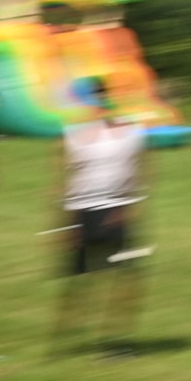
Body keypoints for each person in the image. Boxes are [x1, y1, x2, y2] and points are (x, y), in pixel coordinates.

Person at [47, 77, 152, 360]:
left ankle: (116, 343)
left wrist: (132, 206)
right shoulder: (72, 134)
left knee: (127, 279)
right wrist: (65, 224)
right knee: (80, 282)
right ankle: (64, 344)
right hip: (86, 213)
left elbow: (142, 172)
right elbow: (62, 182)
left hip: (117, 212)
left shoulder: (130, 133)